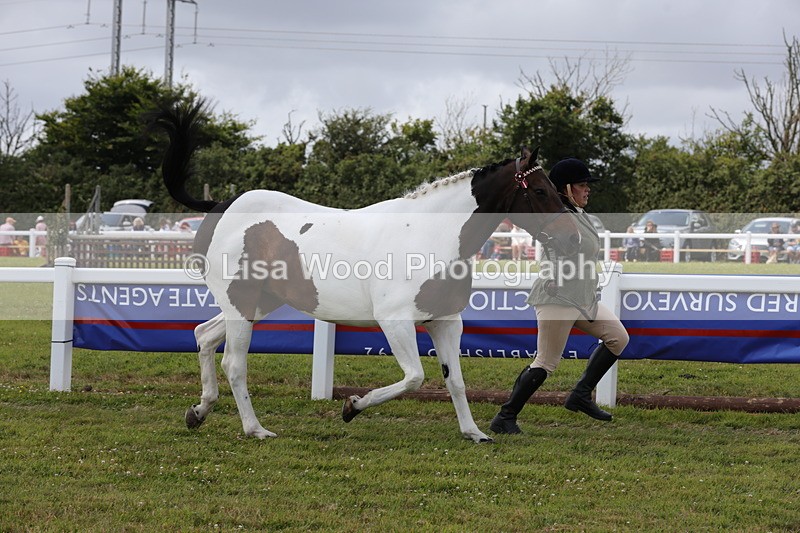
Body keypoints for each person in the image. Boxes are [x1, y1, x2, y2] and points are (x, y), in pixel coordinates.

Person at [490, 157, 630, 434]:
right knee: (545, 363)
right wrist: (554, 273)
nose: (587, 189)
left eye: (587, 184)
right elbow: (551, 247)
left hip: (582, 298)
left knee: (618, 338)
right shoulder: (556, 216)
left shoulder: (579, 213)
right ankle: (505, 417)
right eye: (582, 184)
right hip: (558, 297)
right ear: (566, 188)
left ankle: (580, 395)